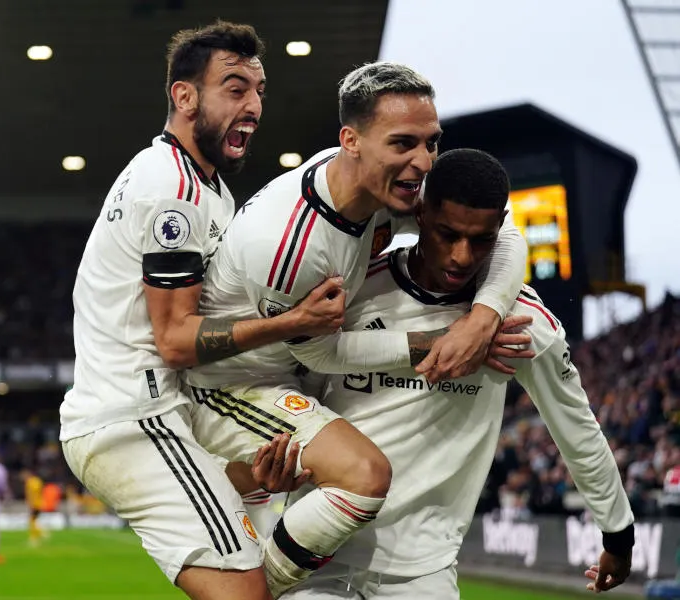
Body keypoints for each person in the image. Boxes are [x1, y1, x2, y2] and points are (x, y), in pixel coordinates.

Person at [183, 63, 529, 597]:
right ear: (351, 141)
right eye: (403, 143)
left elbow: (504, 232)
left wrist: (481, 319)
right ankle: (254, 590)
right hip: (234, 386)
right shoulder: (291, 247)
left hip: (290, 378)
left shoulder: (372, 184)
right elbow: (321, 354)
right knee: (364, 476)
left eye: (431, 143)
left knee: (331, 475)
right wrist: (436, 343)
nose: (424, 163)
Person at [60, 21, 348, 600]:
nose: (254, 106)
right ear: (184, 96)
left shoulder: (208, 189)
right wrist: (294, 322)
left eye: (259, 91)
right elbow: (174, 340)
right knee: (247, 591)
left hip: (167, 414)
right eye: (235, 88)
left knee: (263, 522)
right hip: (133, 418)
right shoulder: (174, 187)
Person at [276, 148, 634, 599]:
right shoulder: (354, 289)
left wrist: (618, 534)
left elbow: (577, 429)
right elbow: (298, 390)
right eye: (447, 234)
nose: (462, 257)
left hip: (422, 573)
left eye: (481, 240)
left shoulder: (523, 325)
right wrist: (277, 464)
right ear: (420, 214)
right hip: (316, 551)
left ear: (502, 228)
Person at [23, 467, 44, 545]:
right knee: (33, 520)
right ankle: (40, 534)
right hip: (36, 503)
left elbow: (33, 493)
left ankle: (35, 537)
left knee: (32, 520)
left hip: (36, 504)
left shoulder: (32, 482)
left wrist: (31, 503)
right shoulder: (36, 481)